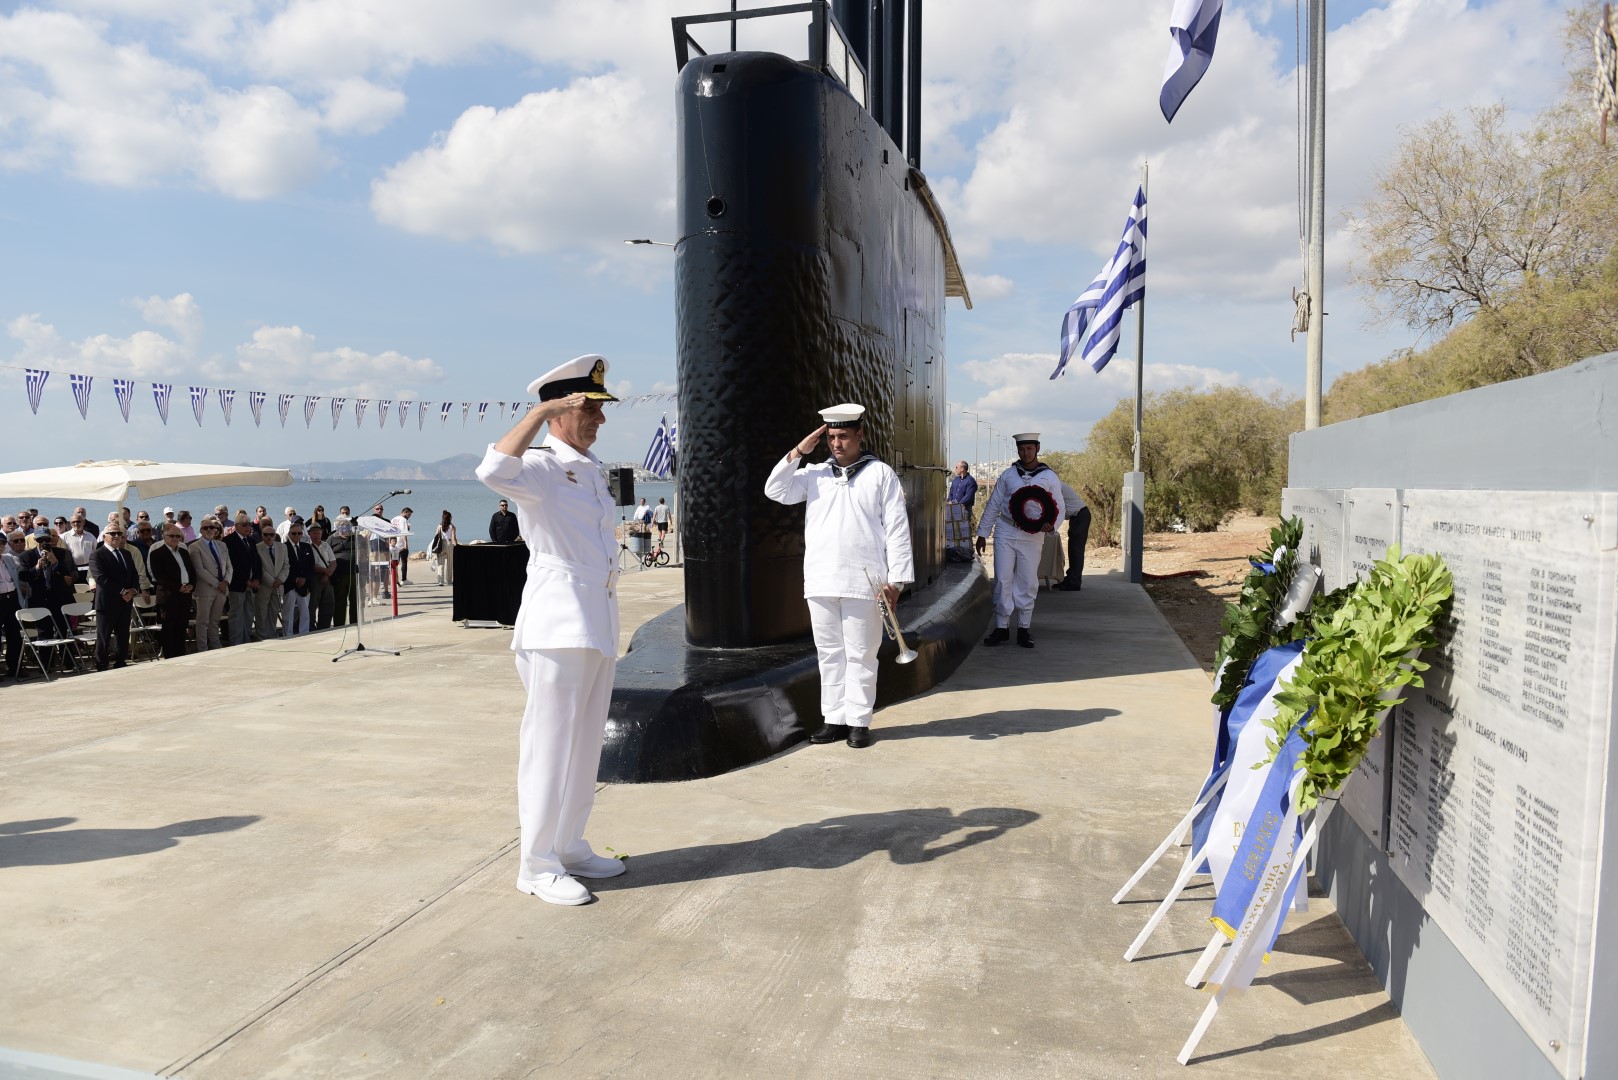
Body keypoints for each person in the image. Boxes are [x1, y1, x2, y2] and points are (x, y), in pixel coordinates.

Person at [475, 353, 627, 907]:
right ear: (561, 409)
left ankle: (570, 845)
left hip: (596, 621)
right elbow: (491, 471)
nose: (598, 420)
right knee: (549, 743)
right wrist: (539, 412)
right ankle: (536, 864)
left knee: (586, 744)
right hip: (557, 622)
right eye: (588, 409)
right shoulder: (540, 465)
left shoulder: (588, 469)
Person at [764, 402, 914, 749]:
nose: (836, 443)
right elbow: (775, 490)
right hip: (821, 579)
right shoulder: (814, 474)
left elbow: (897, 530)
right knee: (829, 653)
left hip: (866, 582)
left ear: (859, 434)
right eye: (831, 437)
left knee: (861, 653)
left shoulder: (879, 474)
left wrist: (898, 581)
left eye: (843, 436)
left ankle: (859, 721)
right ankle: (833, 718)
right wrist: (801, 450)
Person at [976, 432, 1063, 648]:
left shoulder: (1049, 477)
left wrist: (1052, 526)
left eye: (1030, 449)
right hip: (1006, 530)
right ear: (1018, 450)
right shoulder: (1008, 475)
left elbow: (1059, 507)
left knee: (1027, 580)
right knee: (1003, 578)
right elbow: (994, 504)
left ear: (1037, 449)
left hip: (1032, 536)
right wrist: (982, 533)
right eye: (1022, 449)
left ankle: (1024, 628)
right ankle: (1001, 627)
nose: (1026, 453)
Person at [91, 523, 142, 670]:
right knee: (104, 636)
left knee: (123, 634)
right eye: (112, 533)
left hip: (125, 602)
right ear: (104, 536)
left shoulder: (125, 553)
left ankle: (121, 661)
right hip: (107, 602)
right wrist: (122, 592)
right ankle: (101, 664)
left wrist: (132, 590)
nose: (116, 536)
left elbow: (134, 574)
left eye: (119, 534)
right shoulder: (97, 555)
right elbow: (101, 578)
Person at [147, 524, 197, 659]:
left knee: (181, 628)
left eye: (178, 536)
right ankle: (170, 658)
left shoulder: (184, 551)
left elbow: (191, 572)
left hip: (185, 595)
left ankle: (181, 656)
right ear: (164, 536)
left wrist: (192, 585)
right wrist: (177, 587)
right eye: (172, 536)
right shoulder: (156, 553)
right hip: (168, 597)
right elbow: (159, 576)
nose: (175, 538)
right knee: (169, 629)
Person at [189, 516, 232, 650]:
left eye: (212, 527)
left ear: (216, 530)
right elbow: (199, 569)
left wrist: (226, 581)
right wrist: (217, 583)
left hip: (222, 589)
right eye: (205, 528)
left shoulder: (222, 545)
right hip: (205, 590)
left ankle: (215, 645)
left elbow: (229, 566)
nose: (209, 530)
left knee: (215, 621)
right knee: (203, 622)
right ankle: (202, 648)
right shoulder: (194, 547)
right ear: (200, 530)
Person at [222, 513, 261, 646]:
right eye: (244, 525)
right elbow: (232, 564)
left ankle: (246, 640)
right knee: (236, 615)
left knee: (249, 614)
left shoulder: (250, 540)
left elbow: (256, 561)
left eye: (249, 524)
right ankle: (236, 643)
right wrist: (246, 581)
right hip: (237, 585)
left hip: (251, 585)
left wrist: (256, 578)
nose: (248, 527)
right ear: (237, 526)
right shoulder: (228, 541)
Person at [1055, 480, 1091, 592]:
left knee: (1076, 551)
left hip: (1080, 516)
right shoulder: (1055, 484)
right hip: (1077, 516)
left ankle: (1075, 582)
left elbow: (1056, 507)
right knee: (1072, 550)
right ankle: (1071, 578)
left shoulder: (1056, 486)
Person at [255, 521, 288, 640]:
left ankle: (272, 635)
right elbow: (260, 568)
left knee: (274, 612)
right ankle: (261, 636)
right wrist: (271, 581)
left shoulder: (282, 547)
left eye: (271, 534)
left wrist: (280, 579)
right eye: (266, 535)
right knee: (261, 612)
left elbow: (286, 565)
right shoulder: (257, 548)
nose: (269, 537)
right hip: (264, 586)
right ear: (262, 535)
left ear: (275, 535)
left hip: (278, 585)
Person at [282, 522, 315, 635]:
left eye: (299, 533)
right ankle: (288, 635)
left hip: (304, 585)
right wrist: (295, 579)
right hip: (290, 584)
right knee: (288, 613)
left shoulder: (306, 547)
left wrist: (304, 579)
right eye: (294, 533)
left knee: (305, 612)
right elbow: (283, 566)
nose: (296, 535)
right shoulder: (284, 547)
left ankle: (304, 633)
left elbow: (311, 565)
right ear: (289, 534)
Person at [0, 534, 23, 679]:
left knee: (15, 635)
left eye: (2, 543)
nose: (0, 546)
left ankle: (15, 667)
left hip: (11, 599)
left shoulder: (9, 559)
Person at [330, 514, 359, 627]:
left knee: (355, 601)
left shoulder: (355, 538)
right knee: (340, 601)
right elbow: (326, 554)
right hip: (339, 575)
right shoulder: (332, 539)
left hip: (354, 574)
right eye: (341, 525)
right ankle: (339, 624)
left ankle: (355, 623)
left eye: (346, 525)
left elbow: (364, 551)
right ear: (337, 527)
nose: (344, 527)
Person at [945, 459, 978, 557]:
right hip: (953, 509)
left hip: (964, 510)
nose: (955, 469)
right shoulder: (956, 479)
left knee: (964, 532)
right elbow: (951, 493)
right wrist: (949, 502)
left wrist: (958, 504)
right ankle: (953, 552)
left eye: (956, 467)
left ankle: (967, 552)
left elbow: (968, 496)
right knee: (953, 531)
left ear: (963, 469)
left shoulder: (970, 481)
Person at [307, 522, 337, 629]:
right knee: (312, 605)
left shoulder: (326, 545)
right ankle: (310, 627)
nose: (316, 535)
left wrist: (328, 573)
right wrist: (326, 571)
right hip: (315, 577)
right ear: (309, 534)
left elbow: (333, 561)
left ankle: (324, 627)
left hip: (327, 577)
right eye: (314, 533)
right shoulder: (307, 546)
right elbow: (311, 565)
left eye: (318, 533)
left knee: (328, 604)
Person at [431, 511, 458, 586]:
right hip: (449, 544)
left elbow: (436, 537)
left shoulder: (439, 526)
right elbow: (453, 538)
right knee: (450, 563)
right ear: (449, 518)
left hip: (441, 545)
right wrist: (456, 546)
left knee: (440, 563)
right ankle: (449, 580)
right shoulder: (452, 527)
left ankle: (441, 581)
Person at [391, 507, 414, 582]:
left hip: (393, 543)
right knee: (404, 562)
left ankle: (395, 580)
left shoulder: (393, 519)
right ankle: (404, 579)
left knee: (394, 563)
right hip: (401, 543)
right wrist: (406, 544)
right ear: (405, 512)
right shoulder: (403, 520)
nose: (409, 517)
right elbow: (404, 533)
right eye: (409, 515)